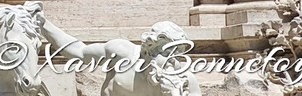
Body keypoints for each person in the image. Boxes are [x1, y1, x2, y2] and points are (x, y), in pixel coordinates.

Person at [38, 18, 197, 96]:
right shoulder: (121, 53)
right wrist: (43, 24)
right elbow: (78, 52)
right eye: (165, 52)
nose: (171, 60)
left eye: (174, 54)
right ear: (149, 47)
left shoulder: (184, 80)